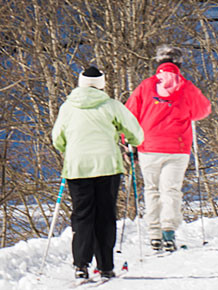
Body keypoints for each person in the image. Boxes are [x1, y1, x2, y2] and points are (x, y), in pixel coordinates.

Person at [51, 65, 145, 280]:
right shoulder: (111, 105)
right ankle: (105, 266)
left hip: (77, 168)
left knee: (82, 215)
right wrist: (131, 142)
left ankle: (81, 265)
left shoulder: (68, 107)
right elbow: (135, 132)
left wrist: (70, 148)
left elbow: (57, 138)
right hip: (107, 166)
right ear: (102, 84)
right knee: (105, 214)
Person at [125, 45, 212, 252]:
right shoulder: (186, 87)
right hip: (177, 148)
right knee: (171, 190)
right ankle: (168, 232)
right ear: (179, 64)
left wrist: (129, 143)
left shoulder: (146, 86)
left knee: (152, 189)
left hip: (149, 146)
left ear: (157, 63)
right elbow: (203, 110)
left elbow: (129, 115)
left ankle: (154, 234)